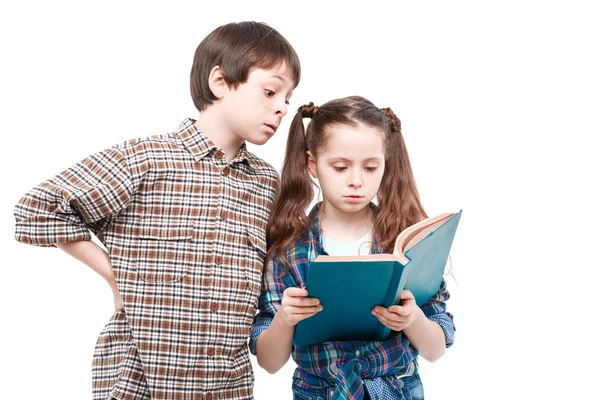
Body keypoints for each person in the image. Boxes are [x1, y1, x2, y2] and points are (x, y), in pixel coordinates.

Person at [14, 21, 300, 400]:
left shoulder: (267, 182)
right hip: (139, 382)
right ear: (220, 82)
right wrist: (114, 275)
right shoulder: (146, 159)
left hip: (227, 386)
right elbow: (37, 208)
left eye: (288, 98)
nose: (281, 107)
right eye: (270, 91)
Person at [250, 96, 455, 399]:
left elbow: (436, 349)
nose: (356, 181)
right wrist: (284, 319)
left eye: (371, 168)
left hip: (395, 390)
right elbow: (269, 362)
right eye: (341, 167)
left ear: (385, 166)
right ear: (313, 165)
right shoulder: (290, 249)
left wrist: (412, 319)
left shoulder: (404, 242)